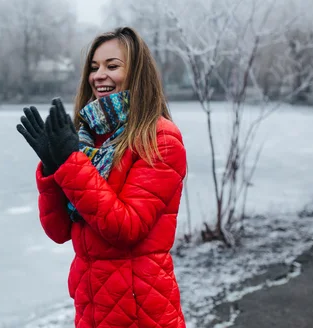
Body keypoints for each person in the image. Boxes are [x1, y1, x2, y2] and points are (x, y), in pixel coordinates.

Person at [17, 27, 187, 328]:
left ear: (136, 72)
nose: (99, 75)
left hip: (140, 309)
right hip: (93, 307)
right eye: (94, 67)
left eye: (112, 66)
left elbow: (126, 228)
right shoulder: (90, 139)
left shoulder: (160, 139)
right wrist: (52, 166)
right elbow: (59, 230)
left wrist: (71, 163)